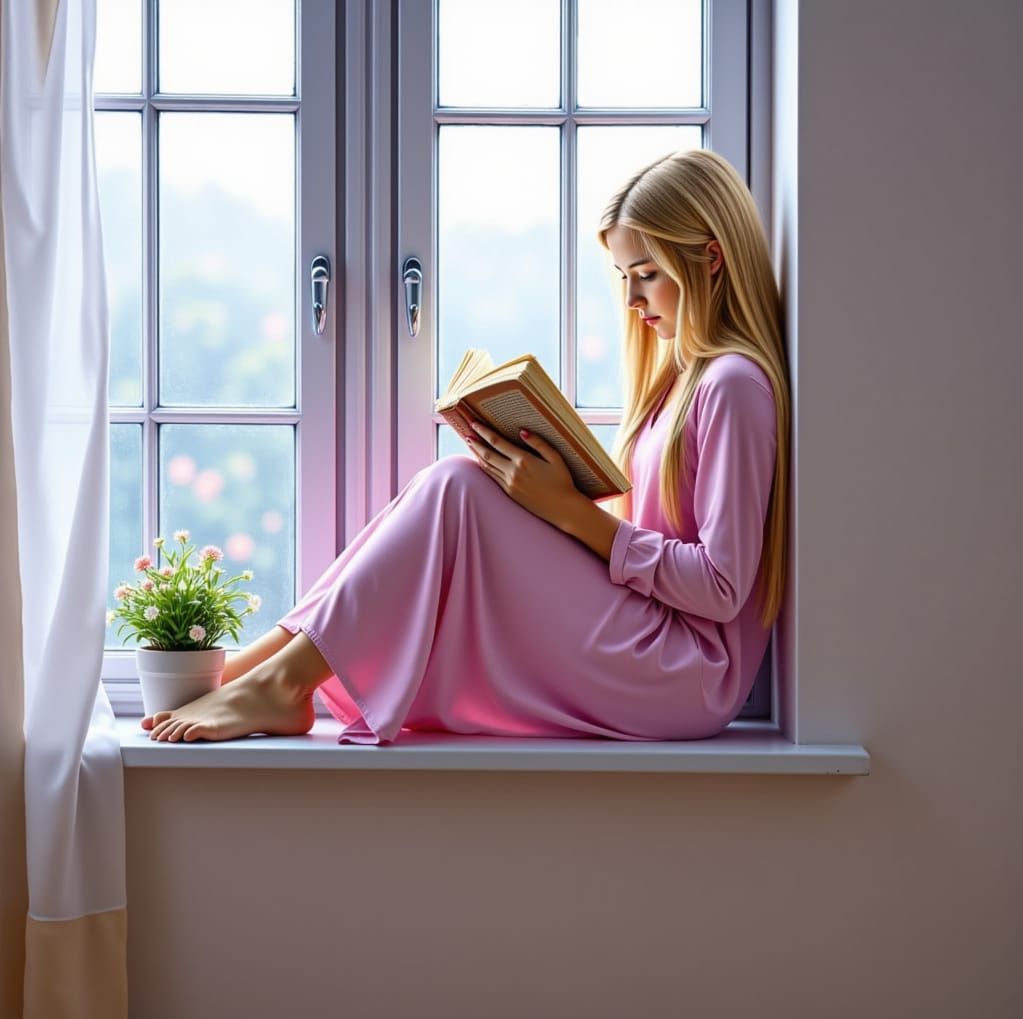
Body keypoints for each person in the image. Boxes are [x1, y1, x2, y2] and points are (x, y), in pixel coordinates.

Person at [142, 148, 790, 745]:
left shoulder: (733, 384)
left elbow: (721, 587)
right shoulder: (682, 380)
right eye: (623, 276)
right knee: (451, 484)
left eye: (646, 275)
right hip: (653, 636)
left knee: (456, 487)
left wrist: (569, 512)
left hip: (685, 674)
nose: (631, 299)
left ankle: (281, 682)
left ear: (710, 258)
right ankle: (256, 669)